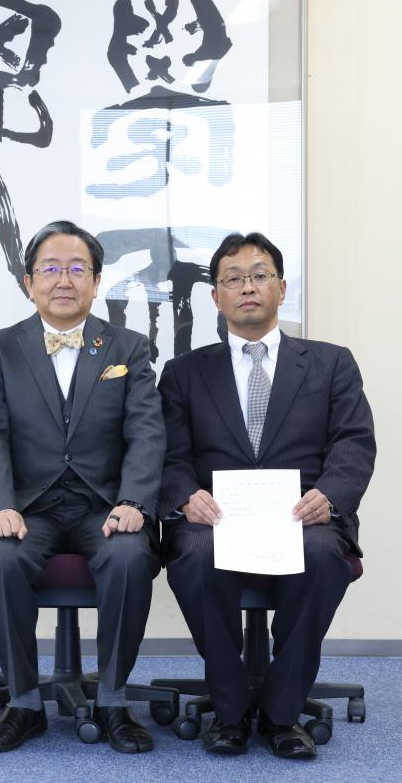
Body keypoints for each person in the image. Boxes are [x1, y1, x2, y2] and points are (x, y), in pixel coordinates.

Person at [158, 232, 376, 759]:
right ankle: (229, 709)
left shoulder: (331, 362)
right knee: (194, 555)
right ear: (217, 297)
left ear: (281, 288)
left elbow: (354, 441)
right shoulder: (184, 372)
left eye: (259, 276)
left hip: (304, 513)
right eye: (233, 279)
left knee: (322, 555)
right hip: (215, 514)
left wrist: (330, 495)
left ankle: (282, 712)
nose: (247, 287)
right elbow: (167, 453)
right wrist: (186, 496)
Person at [0, 220, 165, 753]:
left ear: (96, 282)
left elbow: (146, 432)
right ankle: (24, 703)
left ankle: (113, 700)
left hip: (103, 505)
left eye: (77, 269)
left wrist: (133, 501)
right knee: (1, 560)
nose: (63, 280)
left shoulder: (129, 347)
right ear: (29, 282)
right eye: (50, 269)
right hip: (27, 507)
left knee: (129, 556)